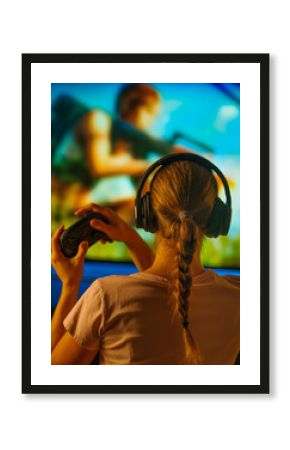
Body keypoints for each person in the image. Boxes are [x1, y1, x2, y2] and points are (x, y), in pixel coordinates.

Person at [51, 156, 240, 365]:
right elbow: (173, 288)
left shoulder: (106, 298)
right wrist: (132, 240)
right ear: (217, 218)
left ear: (146, 212)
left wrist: (69, 286)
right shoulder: (238, 297)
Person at [51, 84, 162, 222]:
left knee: (148, 203)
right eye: (152, 113)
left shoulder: (123, 145)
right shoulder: (98, 119)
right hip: (55, 196)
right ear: (138, 109)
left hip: (72, 203)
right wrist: (151, 166)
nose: (153, 121)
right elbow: (99, 167)